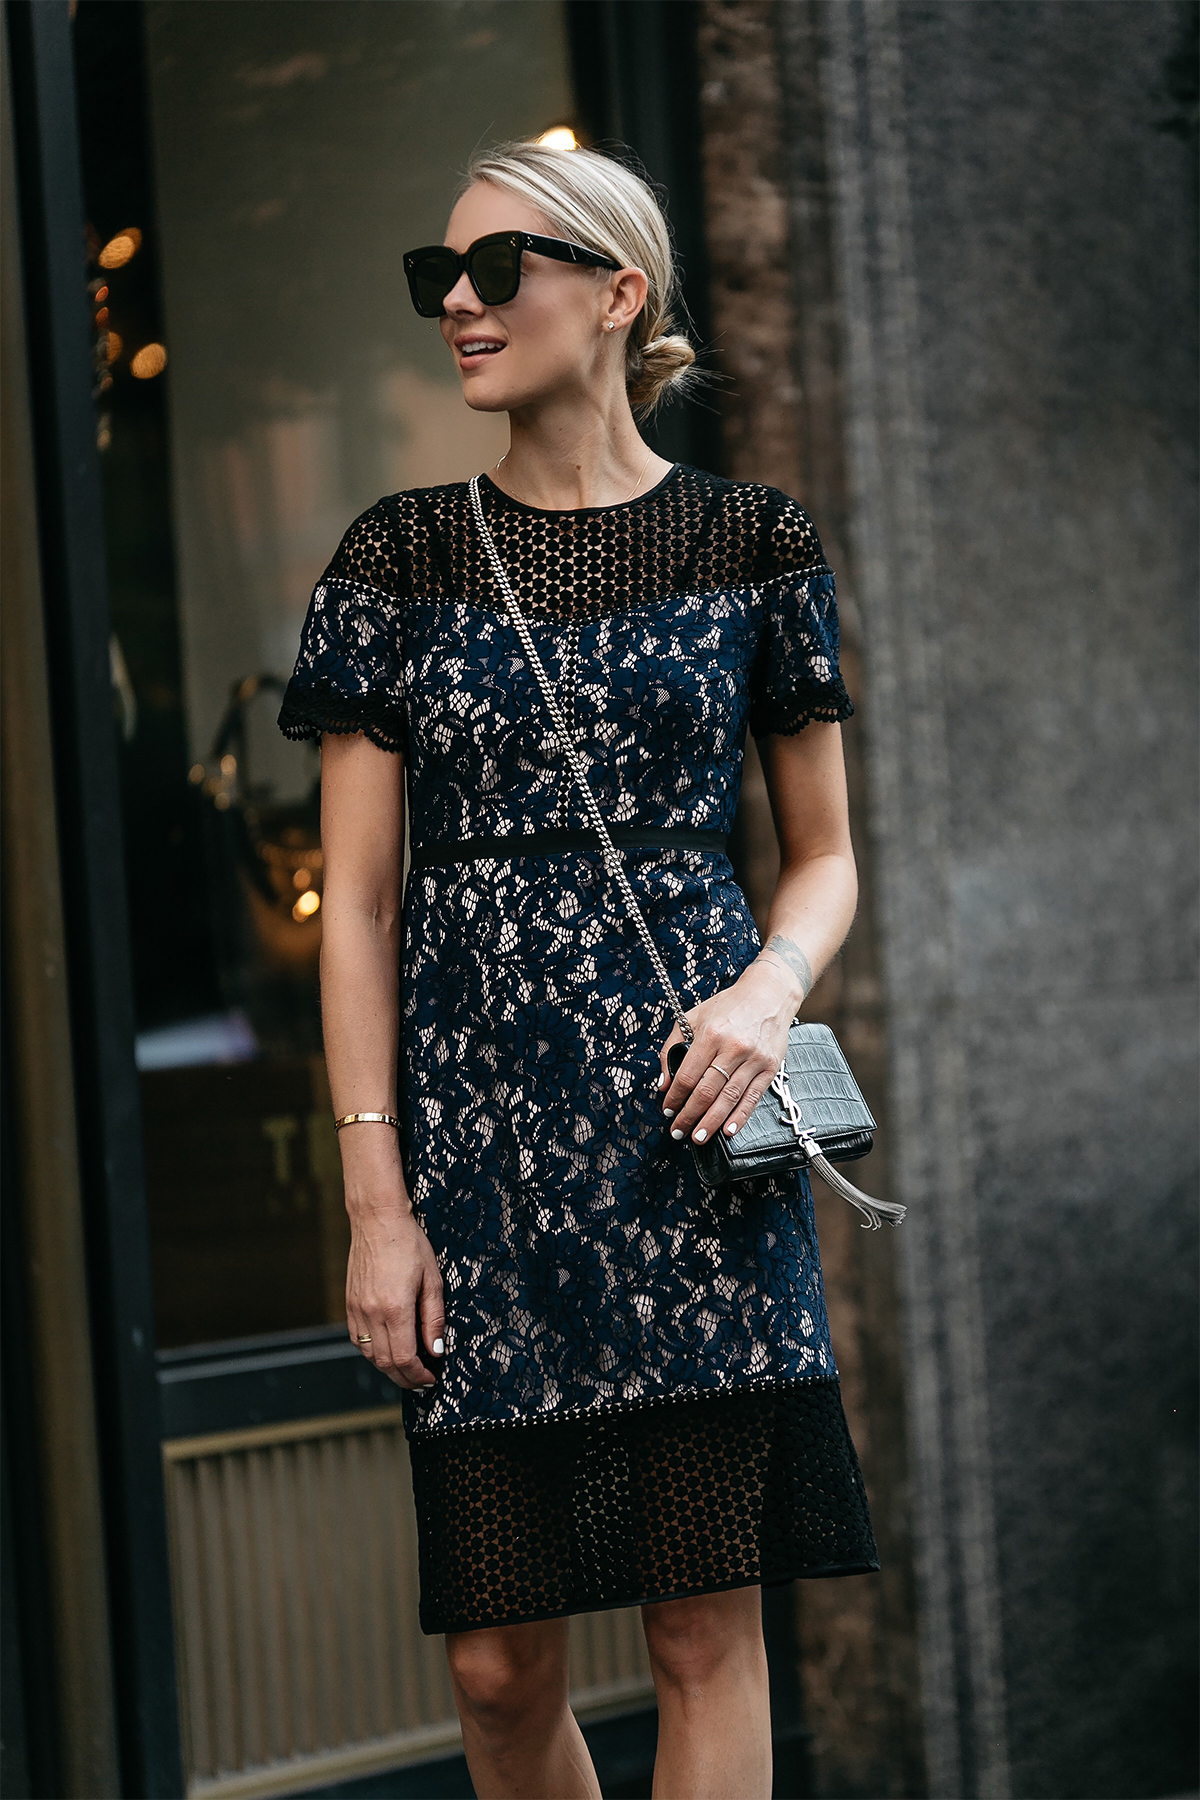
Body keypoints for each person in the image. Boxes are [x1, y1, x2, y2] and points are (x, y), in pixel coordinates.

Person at [279, 139, 878, 1800]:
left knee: (701, 1632)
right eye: (437, 278)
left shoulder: (752, 541)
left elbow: (823, 855)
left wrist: (766, 996)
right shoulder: (397, 562)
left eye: (497, 270)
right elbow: (366, 905)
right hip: (472, 1154)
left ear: (620, 295)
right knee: (493, 1664)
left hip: (694, 1132)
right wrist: (376, 1204)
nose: (458, 306)